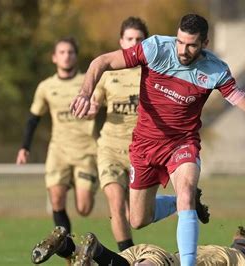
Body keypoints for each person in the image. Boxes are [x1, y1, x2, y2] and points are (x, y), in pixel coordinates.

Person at [70, 14, 245, 265]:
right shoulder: (156, 49)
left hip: (182, 144)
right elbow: (103, 61)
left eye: (191, 44)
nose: (183, 49)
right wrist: (86, 92)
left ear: (205, 42)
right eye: (180, 42)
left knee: (185, 191)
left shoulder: (216, 70)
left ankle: (188, 253)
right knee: (137, 219)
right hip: (144, 146)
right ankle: (178, 203)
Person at [16, 37, 98, 260]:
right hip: (58, 151)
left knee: (84, 208)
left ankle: (74, 249)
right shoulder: (46, 87)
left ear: (76, 55)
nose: (66, 56)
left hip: (86, 152)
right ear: (54, 57)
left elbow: (103, 105)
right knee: (56, 201)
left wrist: (96, 108)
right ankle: (70, 253)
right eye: (61, 52)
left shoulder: (88, 82)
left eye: (70, 52)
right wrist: (25, 147)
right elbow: (34, 118)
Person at [91, 16, 148, 251]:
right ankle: (128, 257)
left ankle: (178, 203)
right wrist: (89, 109)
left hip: (141, 152)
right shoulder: (107, 72)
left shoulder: (153, 73)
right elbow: (93, 105)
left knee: (137, 216)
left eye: (139, 39)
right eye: (130, 39)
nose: (134, 43)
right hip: (110, 149)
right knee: (116, 206)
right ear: (121, 41)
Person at [30, 225, 245, 266]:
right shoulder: (241, 259)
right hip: (164, 261)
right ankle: (94, 250)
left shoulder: (216, 251)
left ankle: (67, 246)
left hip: (149, 254)